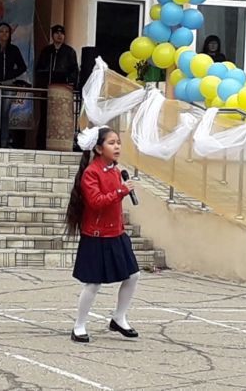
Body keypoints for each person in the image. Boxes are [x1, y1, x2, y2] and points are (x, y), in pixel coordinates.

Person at [65, 125, 140, 343]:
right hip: (96, 235)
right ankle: (79, 326)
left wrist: (121, 192)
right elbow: (96, 202)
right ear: (98, 149)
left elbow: (114, 203)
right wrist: (121, 191)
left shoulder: (116, 171)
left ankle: (119, 318)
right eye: (111, 143)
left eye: (118, 143)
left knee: (133, 275)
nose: (117, 147)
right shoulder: (91, 173)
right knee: (93, 283)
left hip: (116, 233)